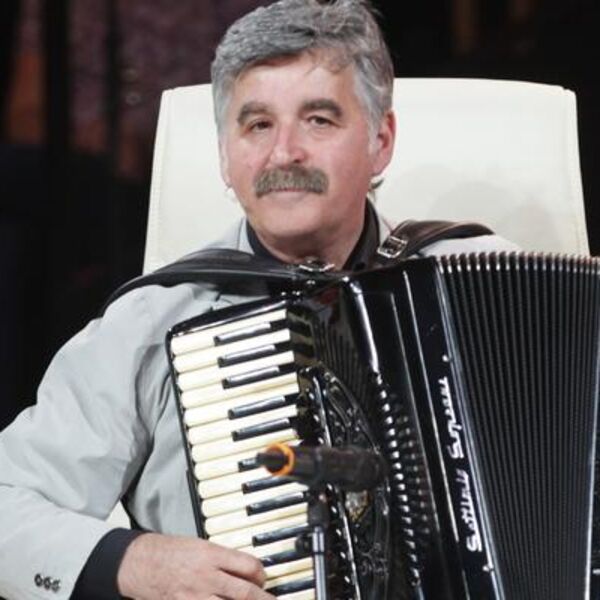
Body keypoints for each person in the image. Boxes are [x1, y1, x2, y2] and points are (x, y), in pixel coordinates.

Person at [0, 1, 517, 598]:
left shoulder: (483, 279)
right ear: (225, 155)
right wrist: (134, 561)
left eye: (318, 120)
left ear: (380, 141)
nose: (284, 154)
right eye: (257, 125)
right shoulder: (152, 321)